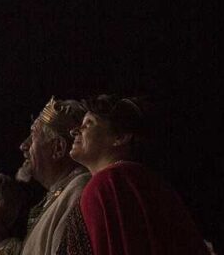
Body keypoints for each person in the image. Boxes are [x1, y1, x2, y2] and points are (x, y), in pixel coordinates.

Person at [66, 95, 208, 255]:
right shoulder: (142, 181)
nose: (74, 131)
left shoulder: (108, 184)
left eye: (89, 123)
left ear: (120, 137)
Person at [18, 97, 88, 255]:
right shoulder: (61, 194)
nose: (23, 145)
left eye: (33, 136)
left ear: (58, 148)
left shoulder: (78, 192)